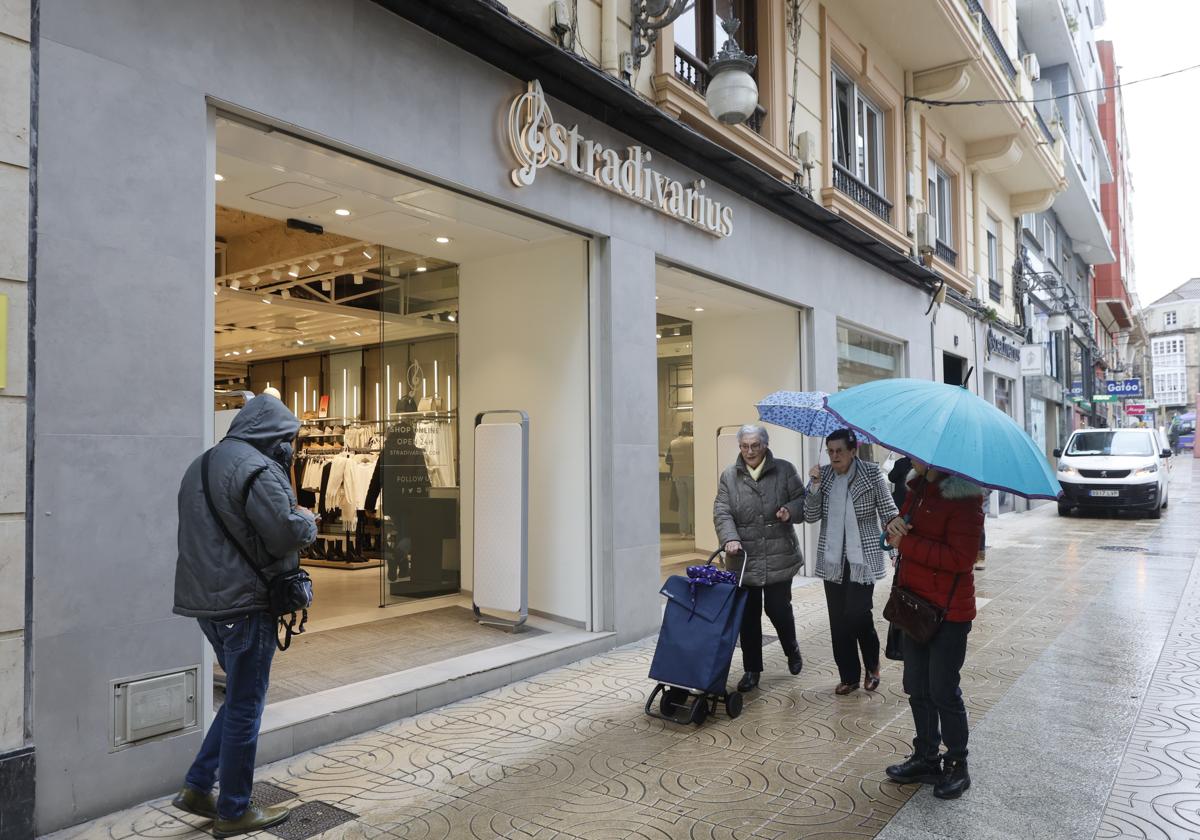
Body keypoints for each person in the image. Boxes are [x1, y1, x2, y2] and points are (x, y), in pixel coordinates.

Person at [171, 394, 318, 837]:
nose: (290, 447)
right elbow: (285, 532)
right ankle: (234, 809)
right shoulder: (257, 468)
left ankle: (198, 786)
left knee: (237, 697)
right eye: (288, 438)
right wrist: (308, 520)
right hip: (245, 603)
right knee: (246, 706)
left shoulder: (201, 464)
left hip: (208, 603)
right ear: (273, 435)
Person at [883, 459, 985, 800]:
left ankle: (957, 764)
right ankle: (926, 756)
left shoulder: (964, 499)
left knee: (943, 690)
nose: (911, 458)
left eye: (916, 454)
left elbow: (962, 557)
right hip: (915, 606)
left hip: (948, 612)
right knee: (917, 686)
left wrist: (906, 544)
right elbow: (905, 533)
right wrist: (895, 526)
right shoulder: (918, 489)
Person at [804, 430, 902, 695]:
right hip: (833, 559)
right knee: (838, 620)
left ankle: (872, 665)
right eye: (830, 451)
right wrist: (813, 486)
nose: (834, 456)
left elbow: (888, 510)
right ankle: (849, 676)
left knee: (857, 615)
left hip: (863, 558)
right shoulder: (822, 476)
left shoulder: (871, 474)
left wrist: (896, 534)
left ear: (853, 451)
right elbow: (810, 516)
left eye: (839, 451)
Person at [714, 424, 805, 692]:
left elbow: (802, 500)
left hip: (778, 554)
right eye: (745, 446)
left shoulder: (785, 470)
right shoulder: (729, 476)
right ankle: (752, 669)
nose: (750, 451)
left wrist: (790, 510)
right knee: (748, 617)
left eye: (755, 445)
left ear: (765, 445)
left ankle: (792, 648)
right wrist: (730, 537)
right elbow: (722, 510)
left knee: (778, 609)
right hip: (744, 558)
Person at [666, 422, 696, 538]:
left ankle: (683, 531)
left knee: (682, 504)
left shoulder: (673, 442)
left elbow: (668, 460)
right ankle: (694, 530)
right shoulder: (694, 441)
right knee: (693, 504)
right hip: (692, 475)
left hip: (678, 475)